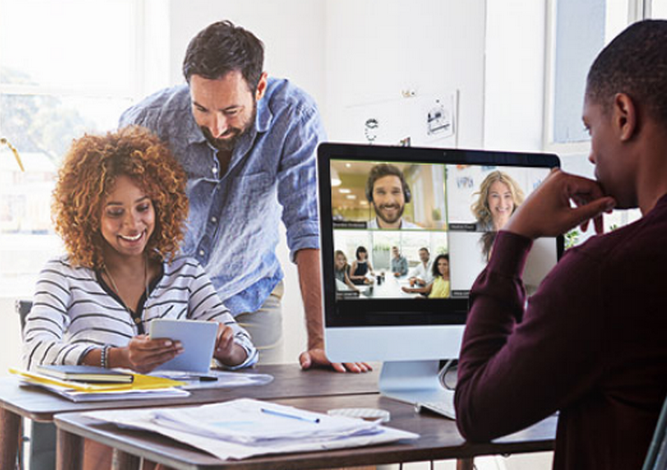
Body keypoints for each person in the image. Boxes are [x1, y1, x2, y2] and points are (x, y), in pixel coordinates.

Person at [454, 20, 667, 470]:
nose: (590, 154)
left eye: (590, 127)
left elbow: (475, 410)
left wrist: (514, 239)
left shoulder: (605, 273)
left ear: (624, 115)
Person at [120, 20, 368, 373]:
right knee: (157, 401)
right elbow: (114, 219)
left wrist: (320, 340)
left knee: (258, 398)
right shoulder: (150, 120)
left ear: (259, 86)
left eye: (230, 111)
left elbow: (309, 227)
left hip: (247, 292)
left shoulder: (294, 116)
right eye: (201, 109)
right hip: (160, 299)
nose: (216, 127)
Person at [22, 127, 259, 470]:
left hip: (174, 422)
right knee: (108, 432)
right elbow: (35, 352)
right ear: (89, 215)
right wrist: (118, 358)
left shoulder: (185, 273)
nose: (133, 224)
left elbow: (245, 349)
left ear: (159, 206)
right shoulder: (64, 273)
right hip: (100, 421)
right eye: (115, 212)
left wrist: (227, 348)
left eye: (143, 207)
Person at [365, 163, 422, 229]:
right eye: (381, 192)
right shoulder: (359, 233)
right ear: (371, 197)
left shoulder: (420, 233)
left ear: (405, 196)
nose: (389, 201)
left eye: (396, 192)